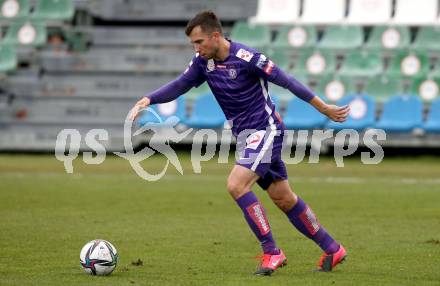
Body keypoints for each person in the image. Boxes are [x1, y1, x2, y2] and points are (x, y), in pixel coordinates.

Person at [129, 10, 349, 276]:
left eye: (199, 42)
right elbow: (181, 84)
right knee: (283, 198)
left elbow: (287, 81)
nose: (197, 49)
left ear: (216, 36)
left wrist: (323, 107)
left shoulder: (248, 58)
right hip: (247, 137)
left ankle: (272, 252)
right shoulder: (203, 62)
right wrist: (148, 99)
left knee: (236, 184)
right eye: (193, 45)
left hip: (266, 131)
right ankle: (332, 248)